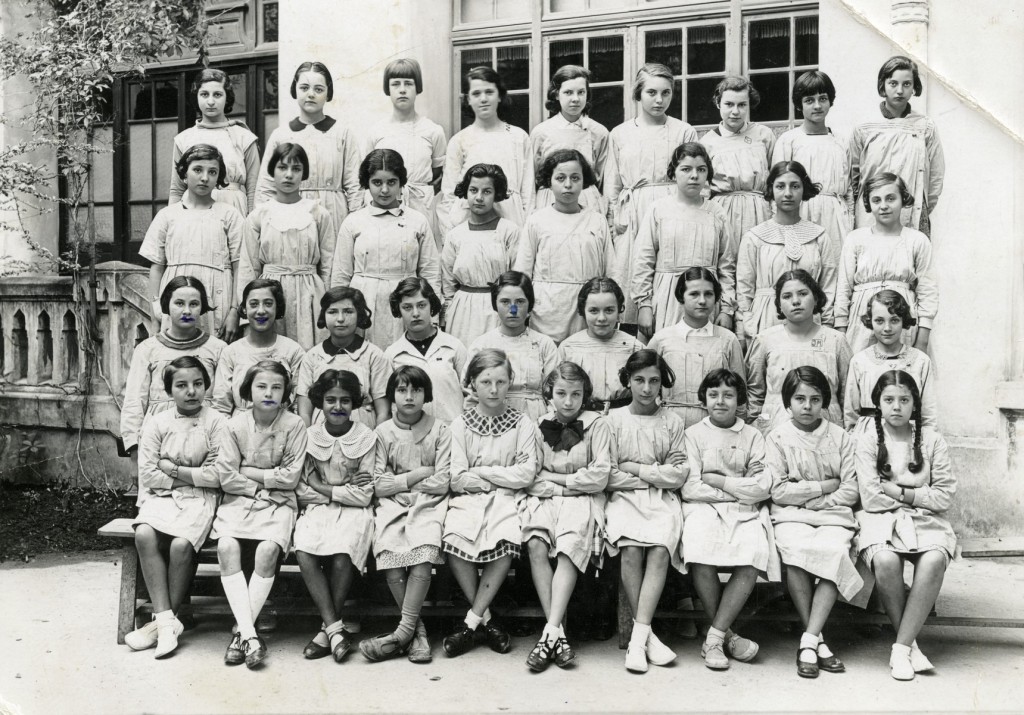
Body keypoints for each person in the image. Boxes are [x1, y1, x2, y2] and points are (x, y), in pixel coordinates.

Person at [855, 370, 956, 680]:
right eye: (889, 400)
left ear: (915, 404)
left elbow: (944, 496)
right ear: (878, 404)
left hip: (924, 520)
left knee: (935, 558)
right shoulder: (869, 438)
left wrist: (900, 492)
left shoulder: (931, 440)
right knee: (885, 560)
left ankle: (899, 649)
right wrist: (917, 496)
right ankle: (909, 646)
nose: (896, 406)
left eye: (904, 400)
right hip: (880, 520)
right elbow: (871, 499)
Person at [125, 357, 227, 658]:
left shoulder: (217, 422)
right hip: (163, 498)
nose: (191, 391)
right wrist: (190, 478)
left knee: (181, 545)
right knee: (143, 533)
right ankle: (167, 621)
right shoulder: (157, 422)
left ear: (206, 386)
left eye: (197, 384)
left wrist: (172, 469)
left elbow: (217, 475)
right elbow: (149, 475)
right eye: (181, 385)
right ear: (170, 390)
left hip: (200, 501)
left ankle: (159, 624)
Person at [766, 366, 862, 678]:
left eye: (815, 399)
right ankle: (817, 641)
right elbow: (778, 490)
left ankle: (808, 640)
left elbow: (849, 488)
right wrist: (821, 487)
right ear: (787, 402)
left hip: (833, 516)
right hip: (791, 516)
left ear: (825, 402)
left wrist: (811, 499)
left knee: (834, 553)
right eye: (800, 399)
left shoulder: (841, 437)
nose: (807, 406)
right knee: (795, 554)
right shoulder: (777, 438)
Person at [441, 349, 537, 658]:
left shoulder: (522, 424)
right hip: (467, 500)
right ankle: (489, 620)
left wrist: (482, 473)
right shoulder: (460, 425)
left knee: (506, 540)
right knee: (454, 537)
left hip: (507, 499)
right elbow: (456, 477)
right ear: (471, 385)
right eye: (485, 382)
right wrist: (496, 477)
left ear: (510, 383)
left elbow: (526, 473)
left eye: (500, 381)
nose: (493, 390)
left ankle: (469, 624)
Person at [211, 360, 307, 669]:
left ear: (286, 393)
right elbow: (226, 475)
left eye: (276, 387)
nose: (269, 393)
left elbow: (291, 477)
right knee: (226, 546)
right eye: (261, 386)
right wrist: (260, 485)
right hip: (239, 501)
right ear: (248, 390)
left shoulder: (294, 426)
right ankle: (250, 636)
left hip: (279, 504)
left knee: (267, 550)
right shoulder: (233, 426)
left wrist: (249, 472)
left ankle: (242, 634)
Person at [682, 368, 776, 670]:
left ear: (739, 401)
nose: (720, 401)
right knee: (699, 549)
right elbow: (691, 486)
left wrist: (720, 482)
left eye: (728, 395)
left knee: (752, 554)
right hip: (704, 508)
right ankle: (726, 636)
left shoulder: (752, 435)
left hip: (744, 510)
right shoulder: (693, 435)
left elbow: (762, 486)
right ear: (703, 400)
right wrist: (737, 490)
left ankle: (714, 637)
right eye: (713, 395)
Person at [522, 362, 612, 672]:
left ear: (585, 394)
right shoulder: (539, 425)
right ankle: (557, 634)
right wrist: (568, 484)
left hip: (581, 501)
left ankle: (548, 633)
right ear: (549, 393)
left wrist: (556, 479)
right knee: (535, 542)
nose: (568, 401)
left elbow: (599, 477)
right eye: (561, 393)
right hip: (549, 499)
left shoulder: (597, 425)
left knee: (568, 549)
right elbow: (531, 476)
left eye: (576, 394)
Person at [361, 366, 451, 664]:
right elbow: (377, 483)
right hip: (392, 506)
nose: (409, 396)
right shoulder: (382, 432)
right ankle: (417, 631)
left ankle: (404, 632)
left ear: (426, 395)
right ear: (392, 395)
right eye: (402, 390)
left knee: (423, 554)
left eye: (416, 390)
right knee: (392, 560)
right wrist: (417, 475)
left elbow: (444, 478)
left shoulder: (440, 430)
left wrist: (401, 483)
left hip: (428, 504)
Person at [605, 349, 686, 673]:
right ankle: (645, 638)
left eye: (654, 381)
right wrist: (653, 471)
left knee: (659, 550)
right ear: (628, 380)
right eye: (639, 380)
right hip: (624, 499)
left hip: (662, 499)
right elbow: (609, 474)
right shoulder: (613, 421)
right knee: (630, 550)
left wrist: (637, 469)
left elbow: (679, 473)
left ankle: (638, 641)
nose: (647, 388)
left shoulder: (672, 421)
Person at [293, 369, 377, 663]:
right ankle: (335, 629)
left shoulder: (366, 437)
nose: (338, 407)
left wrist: (322, 485)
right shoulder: (308, 437)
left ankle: (326, 629)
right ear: (320, 402)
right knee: (304, 549)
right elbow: (302, 490)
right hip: (317, 509)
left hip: (356, 512)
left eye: (345, 400)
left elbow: (365, 494)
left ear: (354, 403)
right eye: (330, 400)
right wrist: (335, 490)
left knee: (342, 552)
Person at [604, 63, 698, 326]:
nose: (659, 100)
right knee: (634, 273)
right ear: (638, 93)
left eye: (666, 93)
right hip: (634, 211)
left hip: (673, 208)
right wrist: (615, 224)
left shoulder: (683, 131)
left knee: (668, 274)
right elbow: (612, 185)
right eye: (651, 92)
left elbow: (693, 177)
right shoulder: (620, 133)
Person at [331, 148, 440, 349]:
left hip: (406, 303)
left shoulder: (417, 221)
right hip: (364, 301)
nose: (384, 190)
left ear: (401, 183)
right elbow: (341, 276)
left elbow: (430, 272)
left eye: (391, 182)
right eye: (377, 183)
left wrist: (432, 315)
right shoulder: (353, 222)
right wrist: (342, 314)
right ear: (367, 183)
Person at [633, 142, 736, 338]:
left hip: (705, 300)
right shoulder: (658, 210)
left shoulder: (717, 213)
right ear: (673, 173)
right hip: (667, 297)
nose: (694, 176)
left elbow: (727, 266)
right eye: (686, 169)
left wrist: (726, 309)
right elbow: (643, 261)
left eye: (701, 170)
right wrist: (644, 305)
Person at [240, 142, 336, 349]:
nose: (289, 175)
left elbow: (328, 265)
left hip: (310, 294)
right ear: (272, 171)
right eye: (282, 167)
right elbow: (249, 267)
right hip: (269, 294)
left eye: (296, 169)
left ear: (304, 174)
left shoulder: (318, 213)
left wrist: (329, 303)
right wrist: (245, 313)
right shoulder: (259, 215)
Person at [143, 144, 243, 340]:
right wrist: (155, 315)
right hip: (176, 298)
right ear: (184, 174)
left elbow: (240, 266)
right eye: (198, 170)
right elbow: (156, 267)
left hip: (218, 297)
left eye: (212, 172)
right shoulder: (167, 216)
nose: (205, 177)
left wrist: (234, 311)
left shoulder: (230, 215)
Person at [120, 276, 227, 458]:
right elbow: (134, 402)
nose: (187, 311)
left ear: (202, 308)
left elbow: (222, 400)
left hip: (204, 436)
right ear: (166, 305)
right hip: (158, 439)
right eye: (179, 303)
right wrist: (134, 450)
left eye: (194, 304)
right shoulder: (148, 349)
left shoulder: (217, 349)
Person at [514, 149, 613, 344]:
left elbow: (610, 270)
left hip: (586, 308)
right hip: (547, 309)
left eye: (575, 178)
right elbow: (522, 274)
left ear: (584, 181)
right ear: (549, 181)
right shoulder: (537, 221)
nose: (568, 185)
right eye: (560, 178)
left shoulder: (596, 221)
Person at [736, 160, 839, 342]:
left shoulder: (819, 236)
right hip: (766, 318)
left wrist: (827, 323)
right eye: (780, 186)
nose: (788, 193)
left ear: (804, 189)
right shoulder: (755, 237)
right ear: (771, 190)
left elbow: (828, 286)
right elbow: (744, 288)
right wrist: (743, 326)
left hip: (809, 321)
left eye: (795, 186)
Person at [833, 172, 937, 353]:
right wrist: (841, 329)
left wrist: (922, 339)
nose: (884, 206)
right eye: (876, 200)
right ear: (868, 203)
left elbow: (927, 291)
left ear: (903, 199)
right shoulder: (856, 239)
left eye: (890, 199)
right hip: (861, 323)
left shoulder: (917, 240)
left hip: (902, 322)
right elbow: (843, 288)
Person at [256, 61, 362, 232]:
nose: (311, 94)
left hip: (334, 215)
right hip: (290, 214)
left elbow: (354, 185)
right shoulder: (281, 135)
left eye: (318, 89)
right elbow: (266, 187)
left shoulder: (343, 134)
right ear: (295, 90)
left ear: (328, 93)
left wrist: (355, 226)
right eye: (304, 88)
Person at [746, 270, 852, 433]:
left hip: (827, 431)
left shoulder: (836, 340)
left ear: (815, 298)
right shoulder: (765, 340)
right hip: (777, 430)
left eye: (803, 294)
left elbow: (848, 394)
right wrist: (757, 427)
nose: (795, 301)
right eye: (787, 296)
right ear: (779, 304)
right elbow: (754, 394)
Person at [850, 56, 944, 235]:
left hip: (912, 215)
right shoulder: (864, 127)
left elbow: (935, 178)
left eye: (906, 84)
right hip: (872, 217)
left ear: (914, 87)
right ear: (883, 86)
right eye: (893, 83)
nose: (900, 90)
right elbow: (853, 178)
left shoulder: (925, 126)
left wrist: (920, 207)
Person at [436, 66, 534, 237]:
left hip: (511, 220)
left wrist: (526, 234)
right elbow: (449, 196)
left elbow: (528, 192)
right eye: (476, 94)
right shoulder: (459, 140)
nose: (483, 99)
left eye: (489, 92)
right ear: (468, 99)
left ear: (499, 96)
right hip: (468, 223)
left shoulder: (518, 137)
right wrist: (450, 235)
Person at [648, 268, 744, 428]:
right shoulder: (662, 339)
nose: (702, 301)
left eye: (708, 294)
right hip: (668, 426)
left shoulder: (728, 340)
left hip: (715, 427)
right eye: (694, 294)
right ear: (681, 297)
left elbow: (740, 395)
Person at [440, 163, 520, 348]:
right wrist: (449, 314)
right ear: (465, 192)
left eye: (486, 192)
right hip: (462, 310)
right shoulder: (455, 235)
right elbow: (448, 284)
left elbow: (517, 276)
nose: (479, 197)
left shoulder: (509, 231)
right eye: (473, 190)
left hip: (498, 308)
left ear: (496, 194)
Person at [772, 71, 853, 248]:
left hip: (836, 216)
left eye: (823, 98)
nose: (817, 106)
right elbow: (776, 189)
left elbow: (849, 190)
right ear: (799, 105)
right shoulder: (789, 140)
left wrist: (850, 224)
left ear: (830, 100)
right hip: (801, 213)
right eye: (809, 100)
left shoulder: (841, 141)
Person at [364, 58, 447, 229]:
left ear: (417, 88)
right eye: (395, 84)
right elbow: (369, 174)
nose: (402, 90)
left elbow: (437, 172)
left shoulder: (433, 131)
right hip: (385, 205)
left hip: (420, 206)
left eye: (408, 83)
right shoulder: (376, 132)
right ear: (388, 88)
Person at [295, 286, 391, 429]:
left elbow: (384, 411)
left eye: (348, 312)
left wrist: (376, 442)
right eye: (332, 312)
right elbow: (305, 412)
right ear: (323, 315)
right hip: (320, 432)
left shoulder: (373, 355)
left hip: (364, 431)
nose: (340, 319)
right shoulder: (312, 356)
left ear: (359, 315)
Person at [467, 271, 558, 421]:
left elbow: (556, 391)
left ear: (530, 304)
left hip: (537, 419)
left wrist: (547, 424)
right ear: (495, 304)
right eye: (505, 302)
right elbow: (471, 393)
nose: (513, 309)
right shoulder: (482, 345)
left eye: (520, 302)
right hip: (493, 419)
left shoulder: (543, 344)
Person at [844, 290, 936, 436]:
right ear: (870, 321)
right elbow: (850, 415)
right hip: (868, 437)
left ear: (903, 321)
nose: (887, 328)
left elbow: (929, 416)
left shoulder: (921, 361)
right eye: (879, 321)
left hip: (909, 437)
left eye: (894, 320)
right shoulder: (860, 361)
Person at [169, 68, 259, 216]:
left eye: (217, 95)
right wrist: (171, 223)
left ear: (227, 97)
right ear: (196, 97)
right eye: (204, 94)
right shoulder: (184, 139)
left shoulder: (244, 137)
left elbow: (254, 189)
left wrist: (253, 225)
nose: (210, 101)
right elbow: (177, 189)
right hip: (193, 211)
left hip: (234, 208)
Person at [211, 279, 304, 416]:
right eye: (254, 304)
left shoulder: (293, 351)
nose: (261, 311)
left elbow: (299, 404)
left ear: (277, 307)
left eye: (268, 304)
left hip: (283, 428)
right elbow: (221, 406)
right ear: (244, 308)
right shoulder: (231, 352)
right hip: (240, 429)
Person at [700, 76, 776, 240]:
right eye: (729, 104)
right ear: (718, 103)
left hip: (761, 213)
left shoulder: (763, 135)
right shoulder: (707, 143)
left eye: (742, 105)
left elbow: (776, 180)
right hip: (724, 214)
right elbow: (703, 192)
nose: (735, 111)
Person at [384, 277, 467, 424]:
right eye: (407, 307)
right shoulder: (392, 354)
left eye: (421, 305)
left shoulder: (454, 346)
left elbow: (470, 394)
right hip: (411, 436)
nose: (415, 313)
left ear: (431, 305)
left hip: (452, 434)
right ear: (399, 310)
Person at [558, 278, 645, 414]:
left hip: (625, 417)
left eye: (609, 310)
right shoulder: (569, 348)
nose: (602, 318)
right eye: (593, 311)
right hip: (581, 418)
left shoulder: (634, 347)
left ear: (619, 310)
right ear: (583, 310)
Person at [530, 64, 609, 214]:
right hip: (549, 200)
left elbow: (603, 176)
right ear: (556, 94)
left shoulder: (599, 132)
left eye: (581, 92)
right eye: (568, 92)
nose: (575, 99)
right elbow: (531, 177)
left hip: (587, 200)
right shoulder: (541, 132)